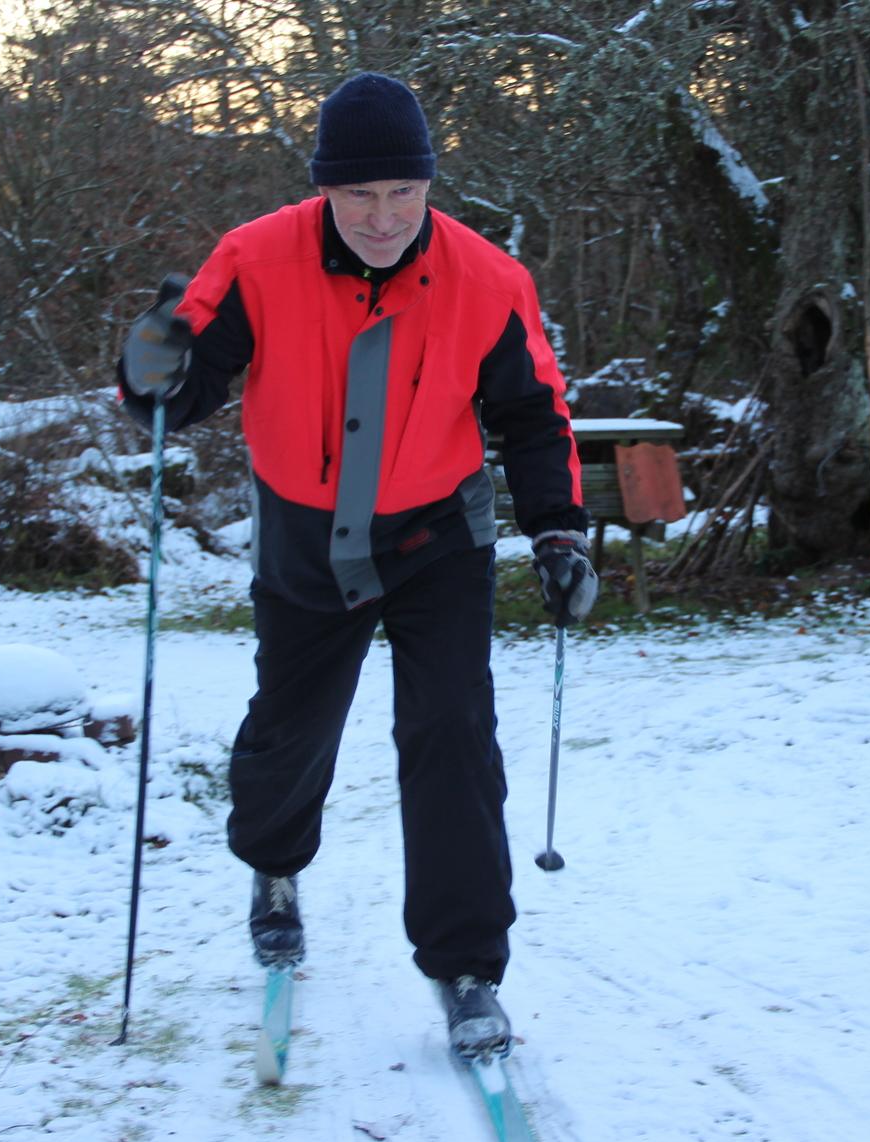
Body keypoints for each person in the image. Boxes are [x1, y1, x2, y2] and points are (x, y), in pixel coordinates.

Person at [114, 72, 599, 1060]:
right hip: (305, 532)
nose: (383, 219)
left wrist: (558, 530)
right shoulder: (255, 259)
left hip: (438, 536)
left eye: (403, 195)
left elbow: (534, 416)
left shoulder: (488, 280)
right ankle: (276, 868)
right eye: (359, 197)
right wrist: (153, 362)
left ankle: (467, 966)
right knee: (291, 730)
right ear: (325, 190)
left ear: (429, 185)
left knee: (453, 735)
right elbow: (185, 383)